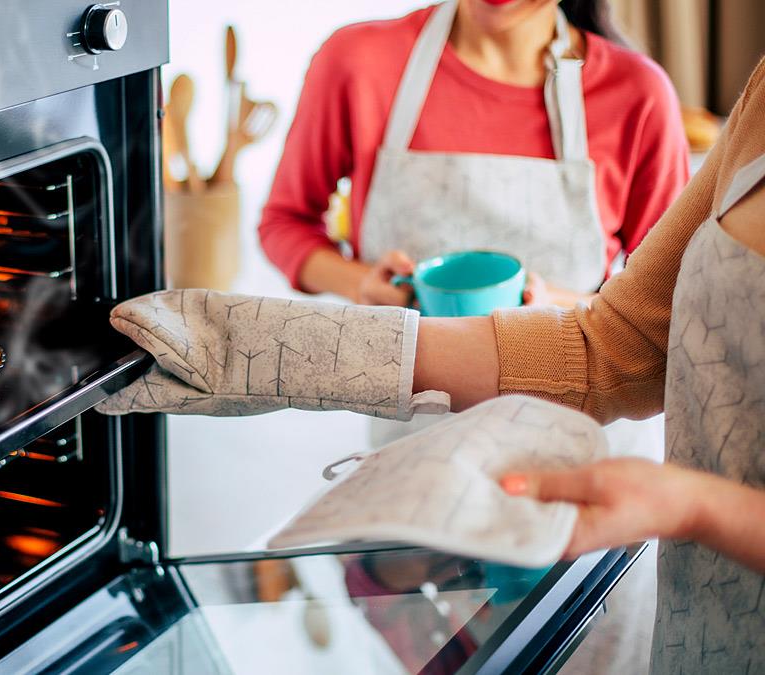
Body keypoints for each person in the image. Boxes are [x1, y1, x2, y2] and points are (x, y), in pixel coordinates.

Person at [100, 52, 765, 675]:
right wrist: (274, 350)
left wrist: (696, 504)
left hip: (613, 518)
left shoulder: (635, 89)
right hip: (697, 621)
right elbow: (613, 349)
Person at [258, 0, 687, 459]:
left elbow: (668, 314)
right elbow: (284, 223)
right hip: (413, 455)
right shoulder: (358, 60)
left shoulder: (638, 93)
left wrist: (555, 311)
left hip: (586, 459)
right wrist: (360, 283)